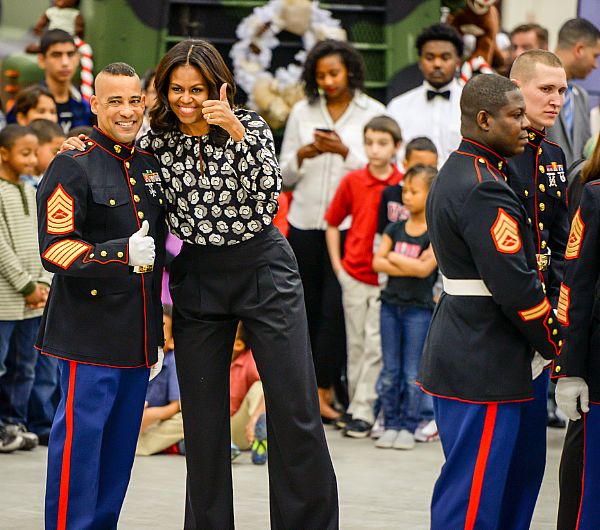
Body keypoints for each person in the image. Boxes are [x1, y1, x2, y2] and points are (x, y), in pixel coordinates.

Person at [135, 40, 338, 529]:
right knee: (204, 422)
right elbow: (125, 172)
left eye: (197, 89)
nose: (185, 100)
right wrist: (83, 143)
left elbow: (268, 199)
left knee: (295, 409)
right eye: (176, 89)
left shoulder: (248, 126)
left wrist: (235, 134)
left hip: (263, 269)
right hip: (198, 279)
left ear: (219, 87)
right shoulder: (155, 140)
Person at [418, 73, 562, 529]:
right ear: (484, 120)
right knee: (474, 495)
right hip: (484, 354)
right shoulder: (484, 185)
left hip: (471, 343)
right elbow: (516, 287)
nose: (526, 125)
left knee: (494, 485)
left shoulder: (462, 169)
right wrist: (557, 343)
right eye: (515, 116)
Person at [36, 62, 165, 529]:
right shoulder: (72, 163)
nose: (127, 110)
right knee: (80, 448)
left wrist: (156, 335)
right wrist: (119, 253)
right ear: (95, 105)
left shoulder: (149, 165)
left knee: (117, 454)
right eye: (115, 100)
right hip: (87, 334)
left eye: (135, 100)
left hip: (136, 337)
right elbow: (55, 247)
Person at [280, 39, 384, 424]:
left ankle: (326, 390)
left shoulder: (373, 111)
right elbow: (282, 173)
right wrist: (303, 155)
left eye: (334, 73)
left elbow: (379, 169)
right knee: (302, 308)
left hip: (349, 229)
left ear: (351, 72)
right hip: (305, 222)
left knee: (336, 311)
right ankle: (303, 392)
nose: (328, 81)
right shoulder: (301, 112)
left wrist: (343, 152)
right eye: (320, 75)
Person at [489, 49, 569, 528]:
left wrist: (560, 317)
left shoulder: (555, 157)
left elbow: (561, 248)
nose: (556, 100)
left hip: (541, 321)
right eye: (546, 89)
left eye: (562, 90)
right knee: (492, 455)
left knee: (529, 458)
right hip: (501, 317)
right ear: (516, 89)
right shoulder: (494, 154)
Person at [324, 115, 403, 437]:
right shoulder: (353, 180)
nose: (374, 150)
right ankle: (359, 406)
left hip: (387, 276)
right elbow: (332, 221)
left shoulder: (402, 184)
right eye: (369, 142)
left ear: (396, 147)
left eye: (382, 143)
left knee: (376, 344)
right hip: (354, 273)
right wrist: (339, 267)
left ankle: (365, 410)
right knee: (356, 343)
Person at [372, 164, 437, 450]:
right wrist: (412, 264)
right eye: (405, 191)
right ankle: (391, 422)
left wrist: (395, 260)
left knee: (412, 372)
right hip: (390, 307)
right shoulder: (394, 228)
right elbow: (376, 262)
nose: (407, 196)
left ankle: (410, 425)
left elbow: (426, 271)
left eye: (414, 191)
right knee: (390, 369)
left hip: (418, 311)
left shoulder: (435, 232)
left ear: (430, 194)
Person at [553, 134, 600, 530]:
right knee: (589, 492)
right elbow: (576, 285)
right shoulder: (596, 196)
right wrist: (570, 368)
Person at [0, 125, 50, 453]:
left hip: (35, 300)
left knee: (24, 367)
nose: (33, 160)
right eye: (25, 153)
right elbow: (1, 247)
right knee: (2, 363)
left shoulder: (32, 191)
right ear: (4, 154)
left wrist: (44, 283)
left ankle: (13, 423)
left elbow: (44, 238)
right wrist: (26, 285)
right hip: (7, 300)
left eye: (35, 153)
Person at [387, 23, 463, 165]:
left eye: (445, 57)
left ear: (457, 62)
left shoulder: (472, 106)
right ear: (420, 62)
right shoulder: (398, 107)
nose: (437, 64)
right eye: (430, 57)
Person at [547, 18, 600, 167]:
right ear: (579, 49)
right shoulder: (533, 87)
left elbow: (583, 151)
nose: (595, 65)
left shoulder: (581, 96)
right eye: (595, 56)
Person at [137, 305, 184, 456]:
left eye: (161, 327)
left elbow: (175, 406)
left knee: (184, 421)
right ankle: (175, 446)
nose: (154, 332)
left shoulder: (172, 360)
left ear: (172, 341)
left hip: (159, 420)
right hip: (134, 420)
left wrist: (152, 415)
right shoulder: (135, 358)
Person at [377, 136, 438, 234]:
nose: (425, 172)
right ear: (405, 164)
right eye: (419, 166)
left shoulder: (438, 199)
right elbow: (380, 233)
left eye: (431, 168)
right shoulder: (389, 193)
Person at [37, 29, 93, 134]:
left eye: (70, 54)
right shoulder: (31, 103)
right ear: (42, 60)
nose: (65, 62)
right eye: (56, 55)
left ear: (78, 58)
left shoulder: (86, 105)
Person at [229, 322, 267, 465]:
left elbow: (267, 388)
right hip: (216, 424)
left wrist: (255, 418)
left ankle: (260, 438)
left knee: (260, 387)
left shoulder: (249, 359)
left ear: (238, 345)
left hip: (242, 429)